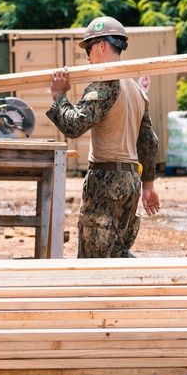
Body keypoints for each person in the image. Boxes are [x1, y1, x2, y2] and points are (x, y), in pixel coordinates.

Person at [46, 16, 161, 258]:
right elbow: (149, 142)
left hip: (106, 181)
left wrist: (59, 96)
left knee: (93, 261)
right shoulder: (136, 88)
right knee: (117, 255)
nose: (87, 56)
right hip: (130, 182)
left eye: (88, 48)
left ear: (101, 45)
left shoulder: (105, 84)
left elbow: (75, 125)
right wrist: (148, 185)